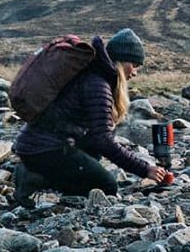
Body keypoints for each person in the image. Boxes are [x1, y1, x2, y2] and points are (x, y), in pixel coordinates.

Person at [12, 28, 169, 204]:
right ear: (120, 62)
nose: (134, 72)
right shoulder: (98, 85)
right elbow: (103, 139)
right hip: (45, 149)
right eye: (134, 65)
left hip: (37, 146)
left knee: (92, 158)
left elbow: (95, 138)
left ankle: (38, 172)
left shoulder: (92, 76)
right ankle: (33, 177)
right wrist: (145, 169)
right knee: (106, 186)